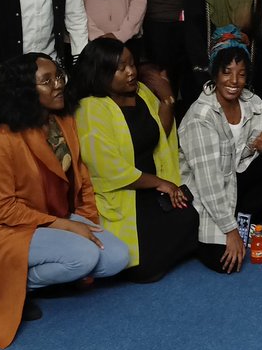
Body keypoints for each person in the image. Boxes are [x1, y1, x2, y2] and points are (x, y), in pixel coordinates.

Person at [0, 54, 129, 349]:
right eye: (46, 81)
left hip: (57, 218)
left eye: (59, 76)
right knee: (84, 257)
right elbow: (2, 209)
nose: (58, 85)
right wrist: (65, 225)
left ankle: (47, 275)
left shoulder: (63, 122)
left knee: (117, 257)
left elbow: (82, 179)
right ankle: (17, 287)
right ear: (25, 91)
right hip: (11, 228)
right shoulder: (1, 142)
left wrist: (87, 221)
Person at [69, 38, 199, 283]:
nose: (131, 72)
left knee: (190, 217)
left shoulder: (141, 93)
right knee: (145, 268)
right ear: (102, 73)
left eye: (132, 64)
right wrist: (160, 183)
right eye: (121, 68)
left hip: (153, 186)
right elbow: (108, 169)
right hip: (124, 191)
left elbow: (159, 135)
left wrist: (168, 98)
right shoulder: (90, 108)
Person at [178, 28, 262, 273]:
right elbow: (208, 183)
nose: (234, 81)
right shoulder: (201, 117)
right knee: (226, 264)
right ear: (214, 72)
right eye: (227, 72)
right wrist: (230, 231)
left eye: (241, 74)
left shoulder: (253, 101)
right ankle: (224, 228)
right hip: (206, 193)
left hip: (236, 181)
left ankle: (246, 217)